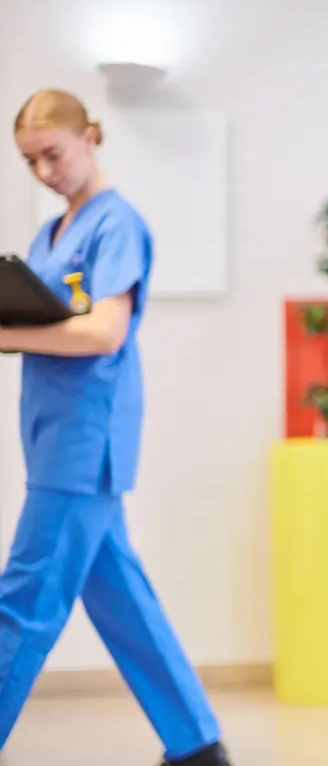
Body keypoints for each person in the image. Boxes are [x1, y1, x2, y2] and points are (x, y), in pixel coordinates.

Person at [0, 90, 229, 766]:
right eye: (29, 162)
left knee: (24, 600)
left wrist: (8, 331)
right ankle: (197, 744)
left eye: (53, 155)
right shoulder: (50, 233)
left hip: (85, 441)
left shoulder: (115, 224)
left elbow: (104, 330)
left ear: (90, 138)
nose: (44, 172)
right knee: (118, 594)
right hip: (50, 434)